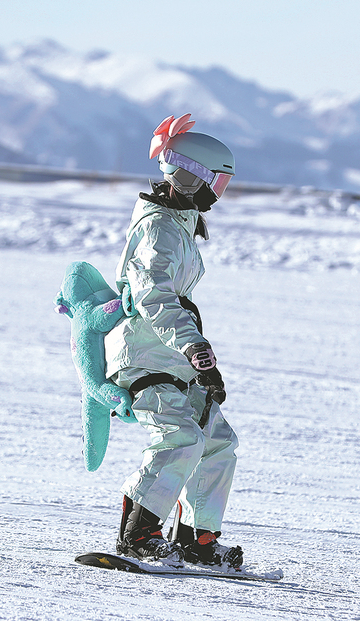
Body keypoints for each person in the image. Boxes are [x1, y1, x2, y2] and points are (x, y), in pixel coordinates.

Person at [106, 113, 244, 569]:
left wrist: (197, 359)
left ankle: (195, 540)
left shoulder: (178, 222)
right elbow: (154, 295)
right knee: (179, 437)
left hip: (172, 354)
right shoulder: (159, 229)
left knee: (217, 440)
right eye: (216, 183)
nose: (217, 195)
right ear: (189, 176)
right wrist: (193, 347)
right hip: (144, 355)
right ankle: (138, 534)